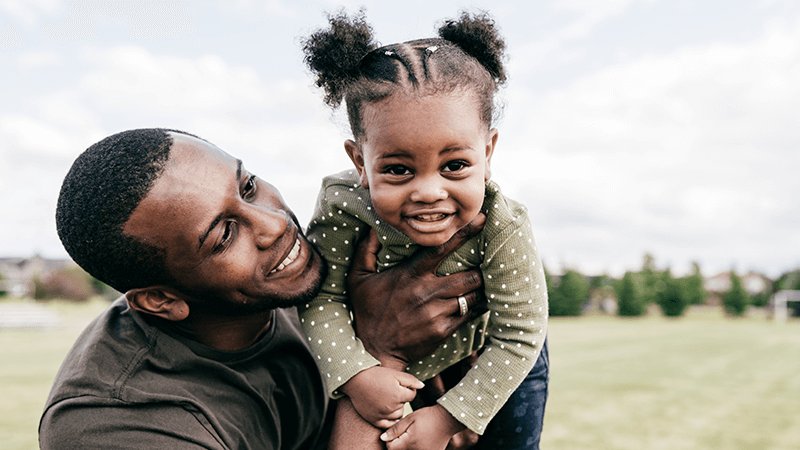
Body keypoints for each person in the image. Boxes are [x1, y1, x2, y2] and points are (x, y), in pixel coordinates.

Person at [39, 128, 488, 450]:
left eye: (248, 187)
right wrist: (380, 353)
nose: (275, 224)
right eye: (224, 236)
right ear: (162, 300)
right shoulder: (111, 423)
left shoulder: (327, 273)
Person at [300, 10, 549, 450]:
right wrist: (356, 375)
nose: (429, 191)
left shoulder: (503, 224)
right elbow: (321, 299)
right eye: (398, 169)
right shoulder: (344, 204)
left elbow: (520, 333)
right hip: (382, 362)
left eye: (454, 165)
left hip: (495, 358)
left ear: (488, 153)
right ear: (360, 162)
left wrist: (451, 417)